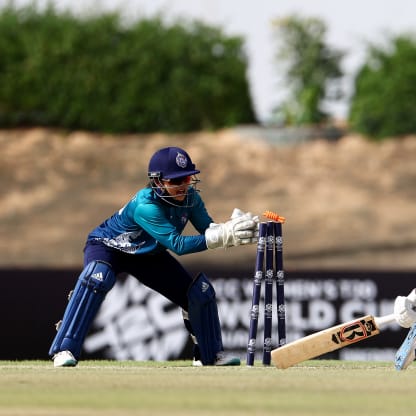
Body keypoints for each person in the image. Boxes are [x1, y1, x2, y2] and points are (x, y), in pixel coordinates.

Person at [49, 146, 259, 367]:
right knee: (97, 277)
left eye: (187, 178)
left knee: (197, 294)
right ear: (158, 182)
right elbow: (178, 245)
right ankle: (64, 349)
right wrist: (223, 236)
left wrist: (230, 229)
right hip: (109, 247)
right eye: (175, 181)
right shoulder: (146, 205)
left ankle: (209, 355)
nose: (183, 186)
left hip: (149, 253)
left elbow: (208, 230)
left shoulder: (191, 198)